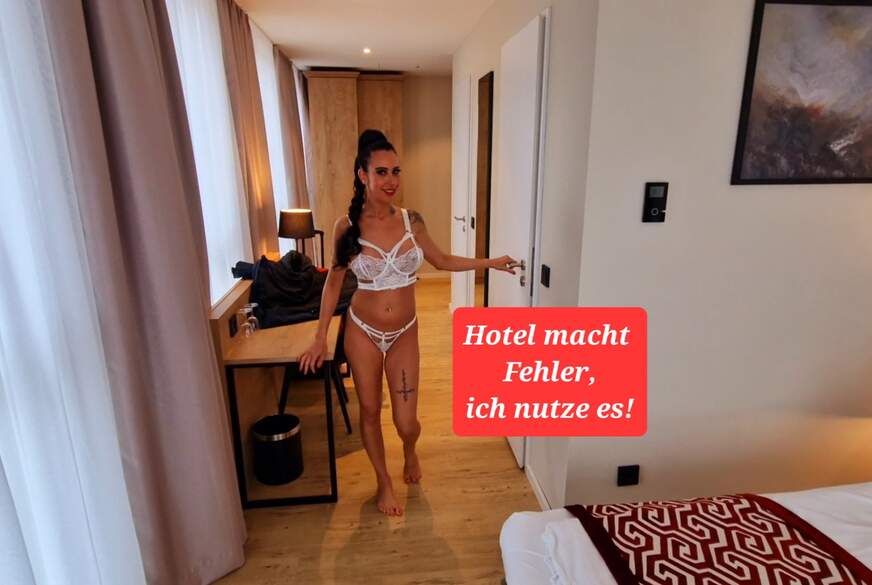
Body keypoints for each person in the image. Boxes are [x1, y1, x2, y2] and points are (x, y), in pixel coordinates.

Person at [299, 129, 519, 516]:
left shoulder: (411, 220)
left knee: (406, 422)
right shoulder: (345, 227)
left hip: (404, 332)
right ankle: (383, 481)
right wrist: (320, 338)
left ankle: (409, 450)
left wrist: (490, 263)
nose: (391, 180)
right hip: (362, 331)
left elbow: (442, 260)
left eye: (396, 171)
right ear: (363, 175)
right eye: (381, 172)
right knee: (370, 411)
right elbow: (333, 282)